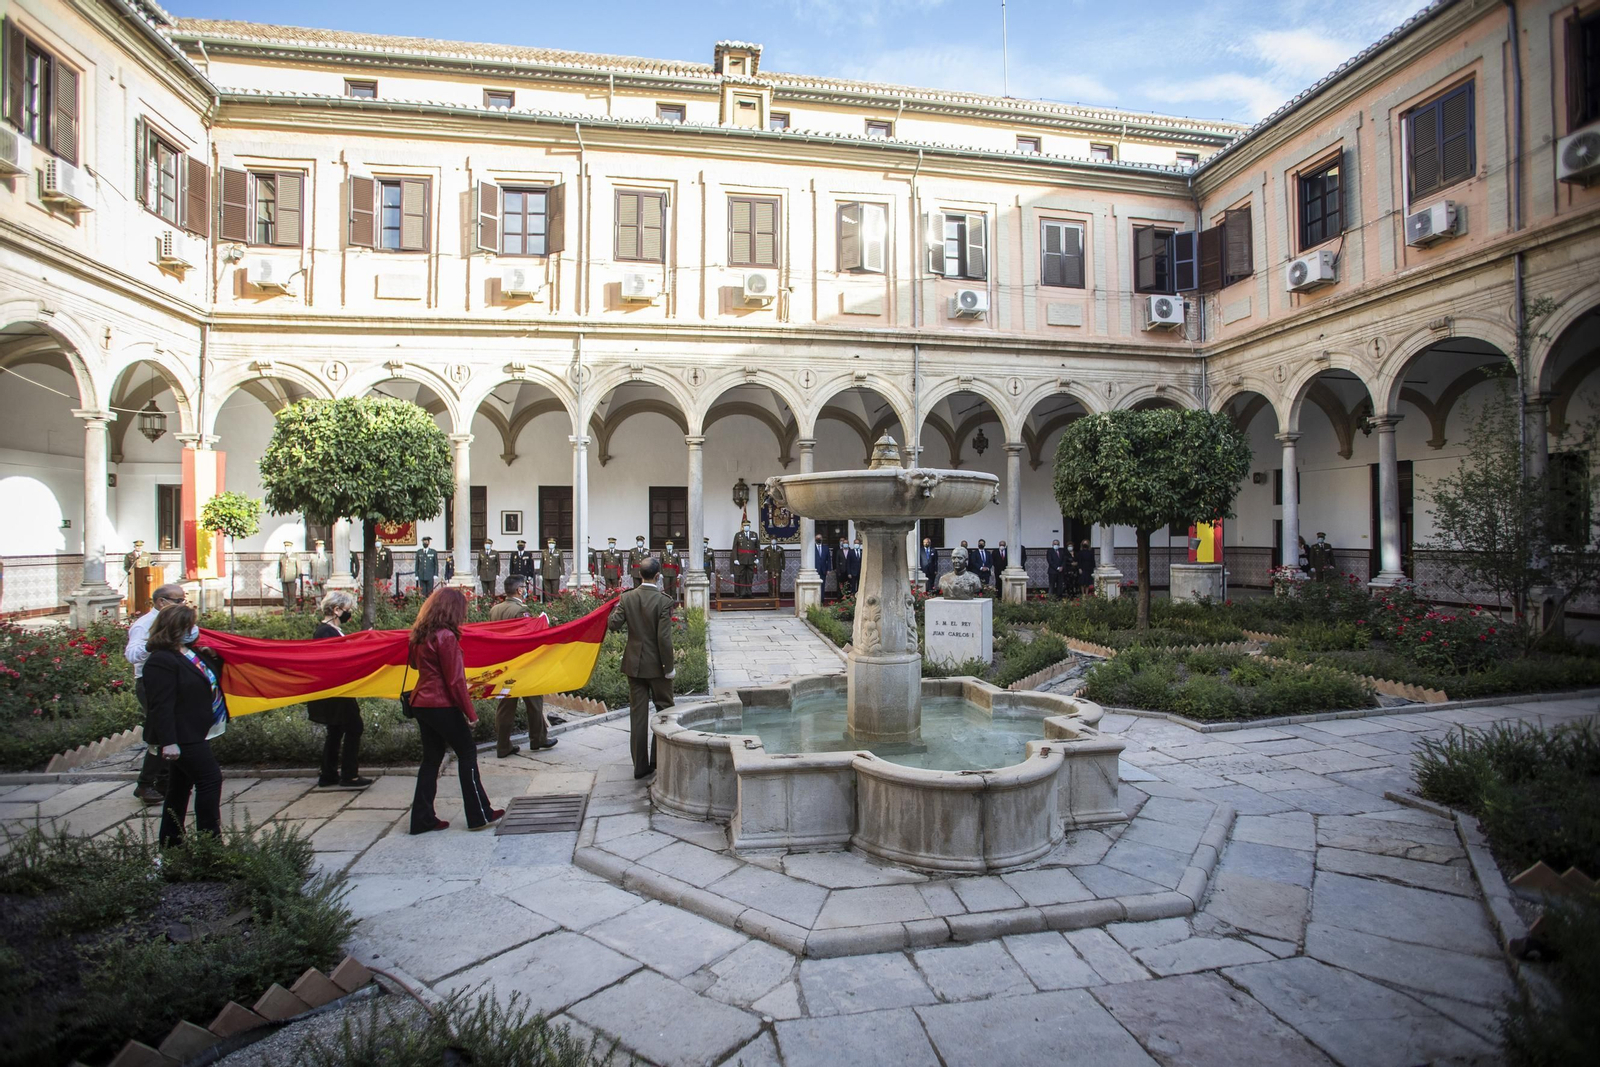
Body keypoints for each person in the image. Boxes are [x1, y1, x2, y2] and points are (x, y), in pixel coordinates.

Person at [405, 588, 502, 834]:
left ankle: (421, 818)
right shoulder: (446, 636)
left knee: (431, 760)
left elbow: (415, 665)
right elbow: (455, 681)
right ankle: (479, 813)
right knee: (467, 753)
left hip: (421, 703)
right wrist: (471, 713)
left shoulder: (419, 635)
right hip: (441, 704)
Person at [141, 603, 228, 847]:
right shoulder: (161, 661)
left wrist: (214, 658)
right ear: (177, 628)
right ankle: (210, 843)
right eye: (190, 625)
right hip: (182, 735)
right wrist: (168, 742)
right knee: (210, 779)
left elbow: (207, 679)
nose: (195, 629)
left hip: (195, 731)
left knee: (179, 789)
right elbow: (161, 705)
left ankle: (171, 842)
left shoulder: (188, 652)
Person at [608, 558, 675, 779]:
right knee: (664, 710)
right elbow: (663, 639)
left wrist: (615, 607)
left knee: (638, 716)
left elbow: (613, 624)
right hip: (657, 666)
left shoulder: (627, 597)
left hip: (633, 665)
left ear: (639, 575)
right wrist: (669, 667)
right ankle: (658, 759)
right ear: (658, 576)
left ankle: (640, 766)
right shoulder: (663, 601)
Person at [123, 582, 187, 804]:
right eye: (178, 601)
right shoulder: (144, 625)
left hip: (172, 679)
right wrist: (154, 644)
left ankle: (164, 781)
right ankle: (145, 784)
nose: (183, 605)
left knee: (171, 730)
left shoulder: (174, 620)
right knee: (160, 731)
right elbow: (131, 655)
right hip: (151, 683)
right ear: (162, 602)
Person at [307, 591, 374, 790]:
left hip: (336, 689)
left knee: (335, 730)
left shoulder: (330, 630)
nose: (349, 613)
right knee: (354, 727)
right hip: (336, 690)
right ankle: (349, 775)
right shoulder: (326, 632)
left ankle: (328, 774)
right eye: (347, 610)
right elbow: (335, 658)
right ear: (336, 610)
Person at [487, 576, 556, 757]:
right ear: (519, 590)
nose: (526, 590)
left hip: (502, 665)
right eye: (524, 587)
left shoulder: (495, 609)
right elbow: (525, 637)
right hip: (521, 665)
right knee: (534, 701)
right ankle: (538, 739)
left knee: (505, 706)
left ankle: (503, 746)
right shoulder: (521, 609)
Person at [732, 521, 759, 597]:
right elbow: (735, 548)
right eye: (745, 525)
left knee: (750, 576)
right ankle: (743, 593)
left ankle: (749, 593)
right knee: (742, 577)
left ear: (750, 526)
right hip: (741, 559)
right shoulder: (738, 535)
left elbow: (757, 547)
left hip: (751, 559)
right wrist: (735, 559)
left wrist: (758, 558)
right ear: (742, 526)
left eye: (747, 525)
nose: (746, 527)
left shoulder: (754, 534)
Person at [278, 540, 301, 609]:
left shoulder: (296, 555)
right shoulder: (282, 556)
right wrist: (279, 576)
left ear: (291, 547)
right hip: (284, 577)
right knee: (285, 594)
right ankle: (286, 607)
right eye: (285, 547)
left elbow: (298, 567)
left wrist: (297, 577)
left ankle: (292, 607)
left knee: (292, 594)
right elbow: (280, 567)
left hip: (292, 577)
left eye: (288, 547)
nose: (286, 548)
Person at [812, 533, 832, 599]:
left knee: (822, 586)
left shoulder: (825, 548)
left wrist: (829, 569)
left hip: (823, 570)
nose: (818, 539)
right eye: (817, 538)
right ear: (815, 539)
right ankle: (815, 599)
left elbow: (828, 559)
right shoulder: (812, 548)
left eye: (819, 538)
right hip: (814, 570)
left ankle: (821, 600)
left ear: (822, 539)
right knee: (814, 585)